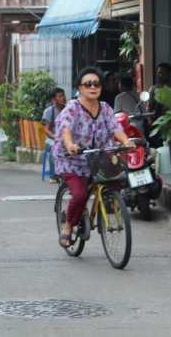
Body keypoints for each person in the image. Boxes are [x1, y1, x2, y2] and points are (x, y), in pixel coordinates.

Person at [54, 67, 133, 248]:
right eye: (87, 84)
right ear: (80, 88)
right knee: (80, 195)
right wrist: (71, 145)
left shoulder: (105, 108)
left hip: (98, 158)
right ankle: (67, 227)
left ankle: (107, 205)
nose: (92, 87)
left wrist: (126, 141)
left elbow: (116, 128)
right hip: (73, 160)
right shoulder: (72, 108)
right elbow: (65, 128)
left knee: (118, 180)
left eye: (96, 84)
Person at [144, 63, 171, 148]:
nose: (159, 75)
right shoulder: (154, 89)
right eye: (158, 72)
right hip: (158, 125)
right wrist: (150, 122)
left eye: (162, 73)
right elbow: (148, 107)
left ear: (168, 74)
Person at [41, 87, 66, 183]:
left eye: (63, 95)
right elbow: (46, 130)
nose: (63, 98)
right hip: (51, 138)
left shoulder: (69, 109)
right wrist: (56, 138)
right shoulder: (49, 111)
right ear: (53, 99)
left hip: (66, 137)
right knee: (54, 146)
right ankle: (53, 175)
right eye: (60, 96)